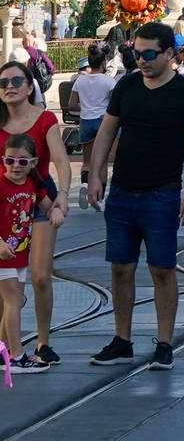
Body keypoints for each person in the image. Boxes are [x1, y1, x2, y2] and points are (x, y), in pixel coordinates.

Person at [85, 21, 184, 372]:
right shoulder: (127, 86)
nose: (142, 60)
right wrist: (95, 176)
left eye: (149, 54)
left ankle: (165, 343)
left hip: (162, 194)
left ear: (170, 54)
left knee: (162, 269)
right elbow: (107, 130)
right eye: (136, 53)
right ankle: (122, 340)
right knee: (120, 267)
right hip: (123, 191)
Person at [0, 53, 70, 366]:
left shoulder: (45, 120)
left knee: (40, 277)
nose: (9, 87)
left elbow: (61, 161)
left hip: (37, 200)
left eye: (16, 81)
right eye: (3, 83)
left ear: (30, 87)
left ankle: (43, 342)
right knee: (5, 283)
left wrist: (64, 196)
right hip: (2, 203)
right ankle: (6, 348)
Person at [0, 133, 55, 373]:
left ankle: (3, 352)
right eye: (10, 160)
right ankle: (17, 356)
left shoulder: (33, 184)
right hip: (3, 254)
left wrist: (58, 210)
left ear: (33, 163)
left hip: (19, 255)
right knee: (13, 302)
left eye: (22, 161)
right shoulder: (0, 183)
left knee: (13, 303)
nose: (15, 166)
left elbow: (46, 206)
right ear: (3, 161)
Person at [73, 43, 115, 202]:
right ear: (103, 64)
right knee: (102, 160)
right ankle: (100, 198)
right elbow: (113, 103)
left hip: (86, 120)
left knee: (87, 160)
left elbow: (71, 103)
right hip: (103, 121)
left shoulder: (80, 81)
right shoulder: (108, 81)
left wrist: (85, 105)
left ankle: (84, 184)